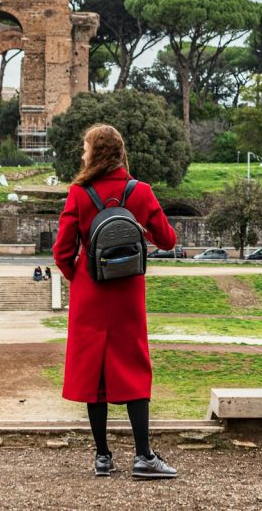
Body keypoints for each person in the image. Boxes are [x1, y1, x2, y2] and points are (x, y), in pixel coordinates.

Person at [53, 123, 179, 480]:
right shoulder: (140, 192)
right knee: (134, 367)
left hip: (89, 292)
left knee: (95, 372)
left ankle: (103, 457)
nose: (82, 154)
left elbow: (62, 251)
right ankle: (144, 456)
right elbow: (168, 240)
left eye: (84, 148)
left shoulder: (78, 194)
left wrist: (78, 277)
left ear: (95, 153)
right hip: (127, 293)